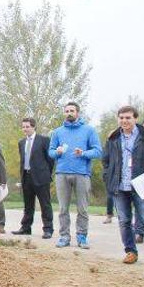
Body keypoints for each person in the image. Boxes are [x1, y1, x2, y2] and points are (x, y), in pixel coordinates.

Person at [101, 106, 144, 268]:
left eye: (128, 118)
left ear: (135, 119)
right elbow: (106, 161)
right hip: (119, 187)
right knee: (124, 221)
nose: (124, 121)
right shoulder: (113, 138)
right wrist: (108, 178)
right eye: (121, 118)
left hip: (141, 187)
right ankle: (131, 252)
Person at [48, 102, 102, 249]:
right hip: (62, 173)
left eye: (72, 110)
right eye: (66, 111)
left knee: (82, 208)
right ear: (64, 113)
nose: (69, 113)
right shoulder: (57, 132)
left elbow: (98, 151)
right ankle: (64, 236)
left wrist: (83, 153)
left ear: (78, 113)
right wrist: (57, 152)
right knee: (63, 208)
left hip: (82, 173)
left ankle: (82, 236)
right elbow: (50, 152)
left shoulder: (89, 130)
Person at [11, 117, 55, 238]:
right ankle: (25, 227)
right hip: (26, 176)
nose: (25, 129)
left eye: (27, 126)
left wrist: (46, 173)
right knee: (28, 204)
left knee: (45, 204)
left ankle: (48, 229)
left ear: (33, 127)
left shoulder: (44, 140)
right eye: (23, 127)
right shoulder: (21, 143)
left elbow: (50, 160)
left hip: (41, 177)